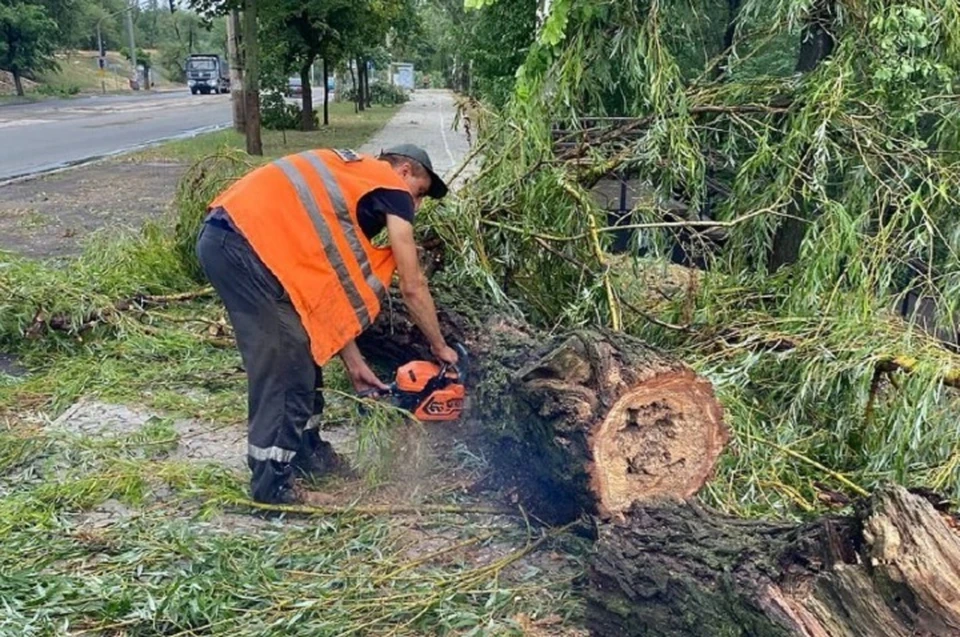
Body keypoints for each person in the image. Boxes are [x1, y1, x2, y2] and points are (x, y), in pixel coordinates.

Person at [196, 144, 459, 505]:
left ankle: (306, 451)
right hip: (241, 243)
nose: (416, 206)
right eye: (420, 193)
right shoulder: (390, 186)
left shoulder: (347, 190)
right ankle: (271, 487)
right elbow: (412, 285)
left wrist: (353, 362)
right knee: (286, 362)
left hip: (238, 239)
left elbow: (323, 293)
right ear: (403, 173)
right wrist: (441, 347)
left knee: (303, 350)